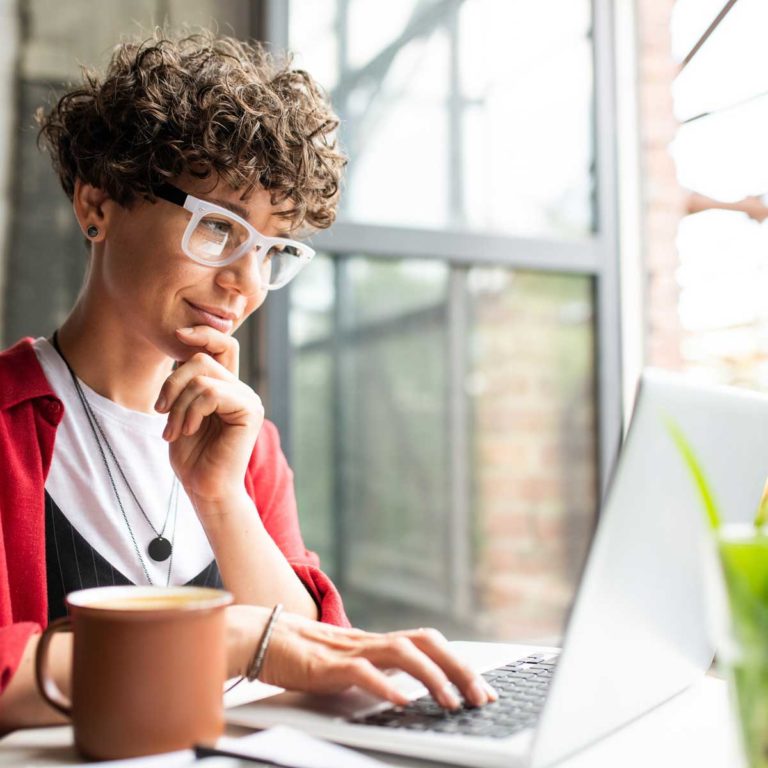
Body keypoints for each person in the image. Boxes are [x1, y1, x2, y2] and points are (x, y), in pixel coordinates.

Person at [0, 30, 496, 732]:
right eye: (217, 229)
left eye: (273, 250)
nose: (244, 282)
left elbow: (319, 666)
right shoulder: (7, 425)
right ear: (98, 206)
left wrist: (222, 498)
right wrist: (228, 641)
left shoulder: (247, 444)